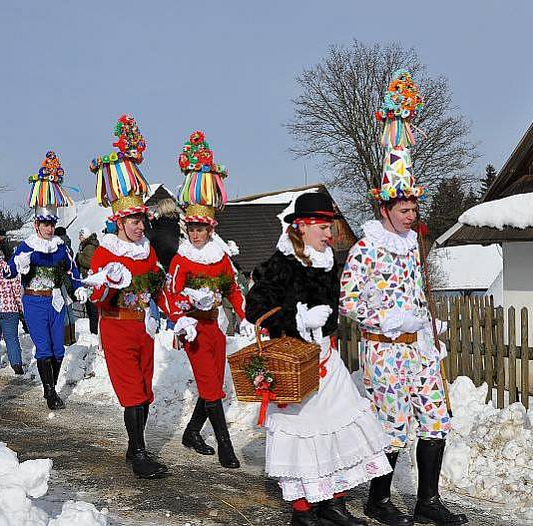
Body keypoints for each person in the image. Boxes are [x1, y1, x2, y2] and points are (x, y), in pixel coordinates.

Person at [339, 71, 467, 526]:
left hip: (419, 349)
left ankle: (427, 499)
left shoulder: (413, 243)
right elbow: (350, 303)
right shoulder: (366, 247)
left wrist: (430, 330)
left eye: (414, 208)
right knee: (392, 428)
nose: (412, 215)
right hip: (385, 349)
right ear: (385, 209)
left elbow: (417, 292)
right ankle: (379, 500)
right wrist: (389, 318)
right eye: (405, 209)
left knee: (436, 420)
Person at [246, 192, 390, 526]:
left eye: (330, 227)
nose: (330, 234)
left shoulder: (328, 261)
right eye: (324, 227)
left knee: (337, 427)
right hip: (293, 363)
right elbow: (254, 309)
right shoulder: (279, 264)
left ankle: (333, 504)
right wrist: (296, 320)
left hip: (327, 357)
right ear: (303, 227)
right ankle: (302, 511)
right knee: (303, 433)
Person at [87, 114, 169, 480]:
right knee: (132, 393)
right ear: (119, 221)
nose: (140, 225)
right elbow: (98, 298)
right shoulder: (106, 252)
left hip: (144, 328)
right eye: (134, 221)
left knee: (146, 391)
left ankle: (136, 444)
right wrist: (110, 283)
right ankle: (138, 452)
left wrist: (171, 307)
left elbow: (156, 286)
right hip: (118, 327)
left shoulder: (147, 250)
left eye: (141, 220)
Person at [168, 131, 253, 470]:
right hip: (193, 331)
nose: (195, 234)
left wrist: (244, 316)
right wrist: (183, 312)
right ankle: (225, 446)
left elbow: (233, 289)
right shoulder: (181, 259)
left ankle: (191, 433)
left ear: (211, 229)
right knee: (210, 386)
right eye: (191, 228)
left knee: (212, 385)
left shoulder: (219, 258)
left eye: (201, 229)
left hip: (215, 328)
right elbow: (170, 293)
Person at [7, 151, 87, 411]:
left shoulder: (60, 247)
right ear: (36, 224)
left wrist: (79, 288)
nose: (49, 228)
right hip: (34, 301)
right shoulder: (26, 246)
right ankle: (50, 391)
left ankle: (50, 384)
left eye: (52, 224)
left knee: (59, 350)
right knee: (43, 348)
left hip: (56, 301)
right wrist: (18, 265)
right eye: (44, 224)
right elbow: (10, 270)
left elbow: (72, 271)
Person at [76, 227, 100, 335]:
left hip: (91, 281)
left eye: (81, 236)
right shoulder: (88, 245)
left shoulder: (89, 247)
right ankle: (94, 331)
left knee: (92, 310)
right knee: (91, 310)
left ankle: (94, 332)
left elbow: (90, 262)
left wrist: (79, 257)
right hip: (89, 280)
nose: (79, 238)